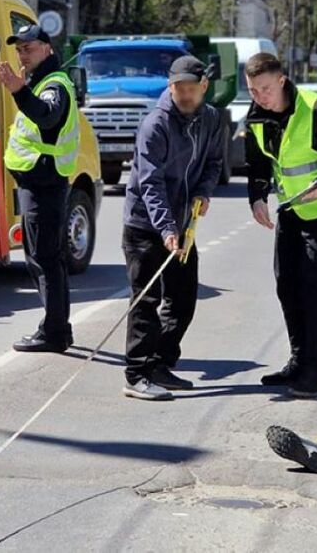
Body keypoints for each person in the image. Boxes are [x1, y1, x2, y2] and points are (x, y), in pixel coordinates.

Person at [245, 53, 317, 398]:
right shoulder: (256, 117)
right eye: (252, 90)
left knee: (316, 287)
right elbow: (256, 165)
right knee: (287, 285)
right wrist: (256, 198)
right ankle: (298, 360)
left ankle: (314, 370)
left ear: (281, 81)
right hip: (291, 210)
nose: (259, 97)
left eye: (265, 89)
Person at [121, 55, 224, 401]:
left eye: (191, 89)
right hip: (145, 225)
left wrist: (203, 193)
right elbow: (150, 183)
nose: (184, 94)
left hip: (183, 223)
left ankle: (160, 363)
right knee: (146, 299)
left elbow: (213, 162)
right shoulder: (156, 124)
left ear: (204, 87)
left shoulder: (211, 118)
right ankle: (136, 374)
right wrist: (166, 228)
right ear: (170, 86)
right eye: (178, 88)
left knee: (182, 299)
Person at [0, 23, 80, 353]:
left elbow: (47, 117)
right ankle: (58, 328)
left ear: (47, 48)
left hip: (45, 184)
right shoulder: (41, 81)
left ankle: (54, 332)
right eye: (19, 49)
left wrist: (18, 90)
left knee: (45, 260)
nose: (22, 54)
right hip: (39, 183)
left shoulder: (54, 84)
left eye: (28, 48)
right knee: (47, 259)